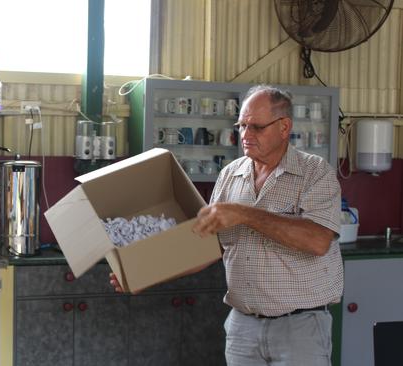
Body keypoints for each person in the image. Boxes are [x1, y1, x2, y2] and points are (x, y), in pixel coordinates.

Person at [110, 84, 342, 365]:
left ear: (284, 127)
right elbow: (206, 247)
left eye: (256, 126)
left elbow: (318, 241)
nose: (245, 134)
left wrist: (245, 214)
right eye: (242, 125)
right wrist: (142, 274)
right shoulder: (231, 175)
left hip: (299, 328)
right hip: (243, 327)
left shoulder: (315, 172)